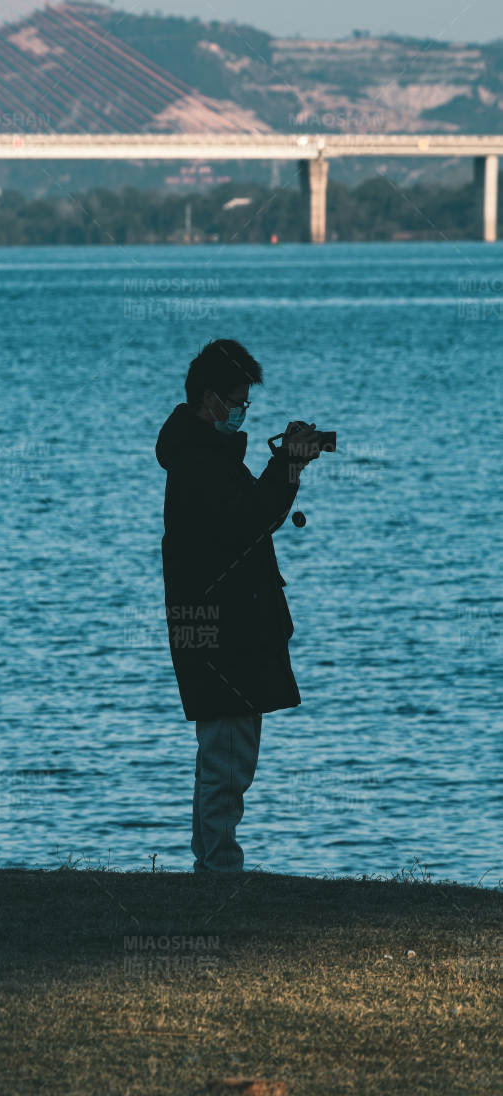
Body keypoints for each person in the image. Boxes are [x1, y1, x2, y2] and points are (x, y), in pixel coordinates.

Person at [155, 338, 322, 875]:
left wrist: (284, 469)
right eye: (237, 400)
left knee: (223, 757)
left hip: (219, 630)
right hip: (221, 635)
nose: (242, 411)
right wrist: (289, 468)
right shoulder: (201, 462)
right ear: (211, 400)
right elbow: (250, 519)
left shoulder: (200, 455)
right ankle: (220, 871)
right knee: (227, 758)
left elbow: (247, 518)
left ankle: (212, 864)